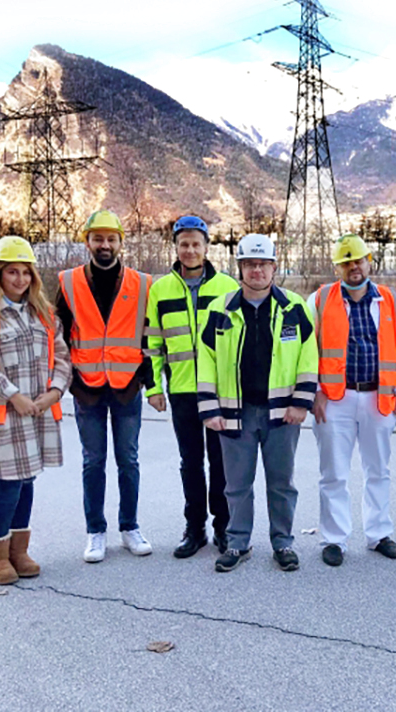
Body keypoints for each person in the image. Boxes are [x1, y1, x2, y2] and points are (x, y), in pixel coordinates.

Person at [198, 233, 317, 573]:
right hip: (235, 413)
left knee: (282, 483)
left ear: (274, 267)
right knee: (236, 485)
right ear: (239, 268)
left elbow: (308, 356)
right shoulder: (219, 309)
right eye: (250, 264)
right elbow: (205, 359)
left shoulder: (294, 307)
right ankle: (237, 542)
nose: (257, 271)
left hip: (282, 413)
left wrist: (301, 402)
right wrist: (210, 408)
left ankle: (283, 543)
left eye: (263, 264)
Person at [0, 236, 70, 584]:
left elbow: (62, 356)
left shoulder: (43, 312)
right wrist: (13, 396)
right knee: (8, 485)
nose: (20, 279)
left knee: (27, 481)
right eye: (12, 272)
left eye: (25, 272)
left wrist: (54, 392)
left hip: (35, 412)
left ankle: (19, 552)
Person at [308, 234, 396, 566]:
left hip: (378, 398)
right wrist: (314, 392)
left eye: (358, 260)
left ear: (369, 262)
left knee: (378, 470)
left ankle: (379, 534)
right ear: (337, 267)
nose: (353, 266)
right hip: (334, 399)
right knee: (333, 474)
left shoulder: (390, 300)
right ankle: (334, 539)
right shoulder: (319, 300)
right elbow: (307, 350)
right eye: (346, 262)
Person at [57, 210, 154, 563]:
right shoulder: (69, 282)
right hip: (87, 387)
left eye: (111, 239)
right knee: (93, 461)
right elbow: (59, 334)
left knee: (128, 460)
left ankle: (130, 527)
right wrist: (64, 379)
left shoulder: (142, 284)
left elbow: (149, 336)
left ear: (120, 243)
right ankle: (95, 531)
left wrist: (150, 381)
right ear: (87, 242)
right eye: (98, 238)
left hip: (127, 386)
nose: (105, 245)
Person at [145, 216, 239, 559]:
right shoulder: (160, 289)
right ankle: (195, 528)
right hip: (182, 389)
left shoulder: (228, 286)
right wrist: (153, 388)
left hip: (220, 391)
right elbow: (152, 344)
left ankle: (223, 527)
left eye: (196, 244)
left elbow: (238, 340)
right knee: (190, 462)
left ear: (206, 247)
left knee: (221, 462)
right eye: (183, 244)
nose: (190, 250)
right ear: (175, 247)